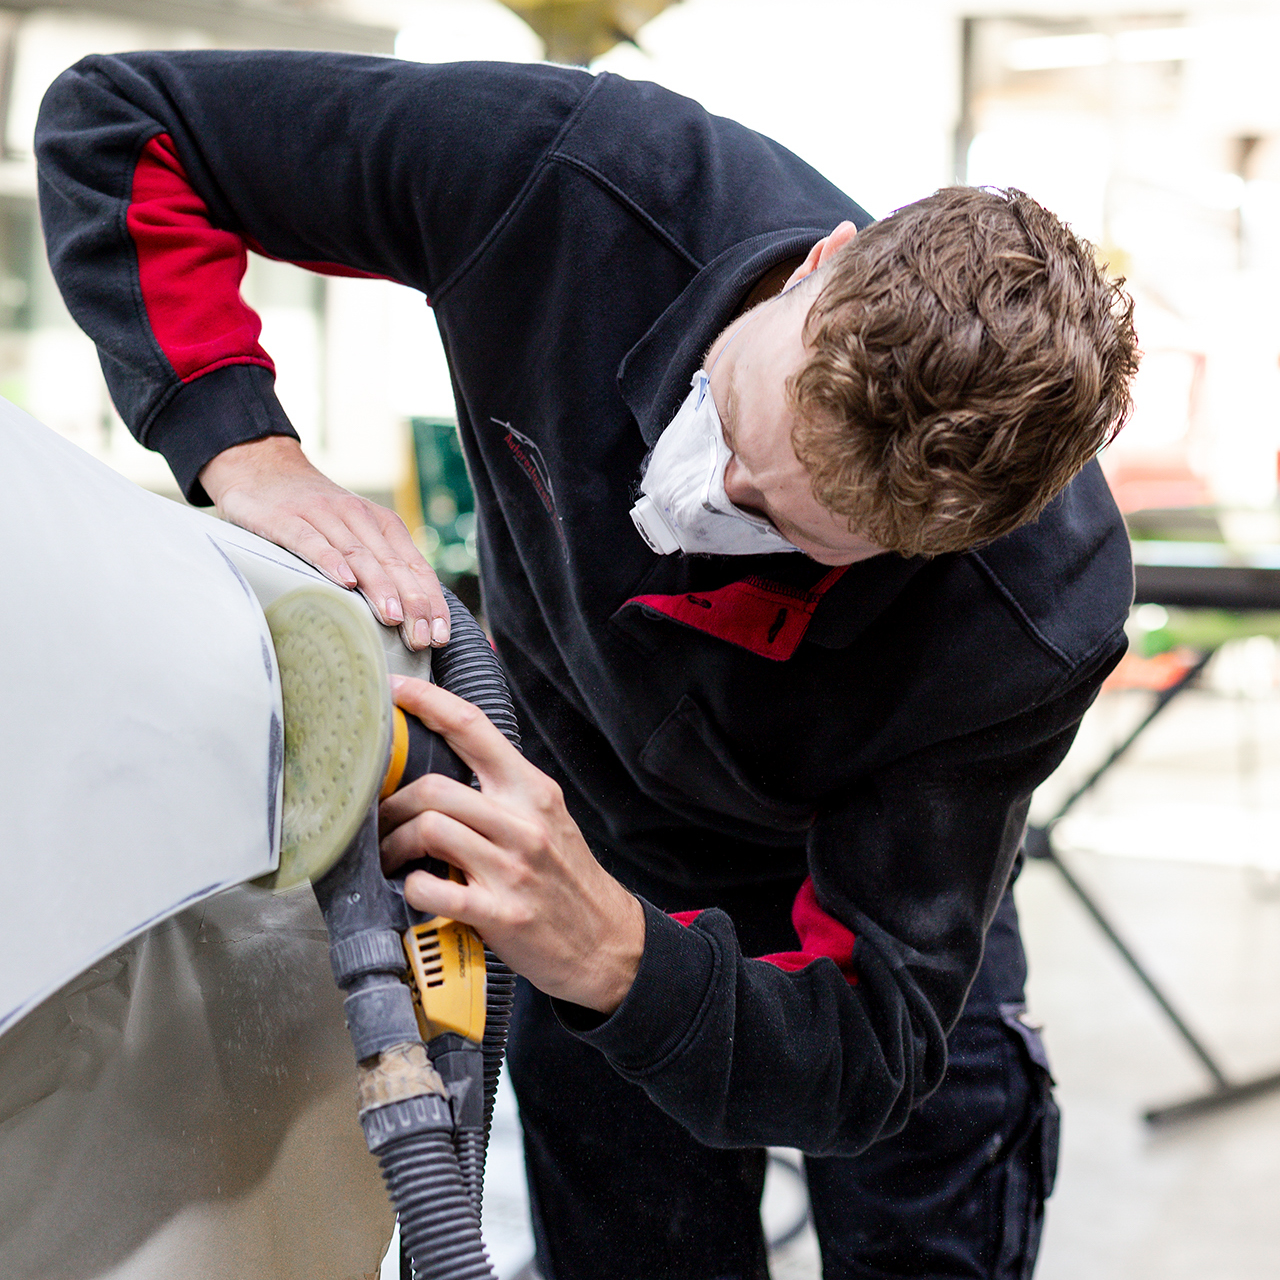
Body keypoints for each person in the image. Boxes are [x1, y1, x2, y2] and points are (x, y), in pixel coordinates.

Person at [36, 52, 1138, 1280]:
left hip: (853, 912)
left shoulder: (1026, 615)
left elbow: (869, 1042)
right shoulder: (568, 183)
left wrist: (618, 951)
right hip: (578, 822)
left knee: (926, 1216)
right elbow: (126, 123)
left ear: (938, 548)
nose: (710, 494)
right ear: (821, 263)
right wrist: (239, 444)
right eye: (735, 417)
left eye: (787, 519)